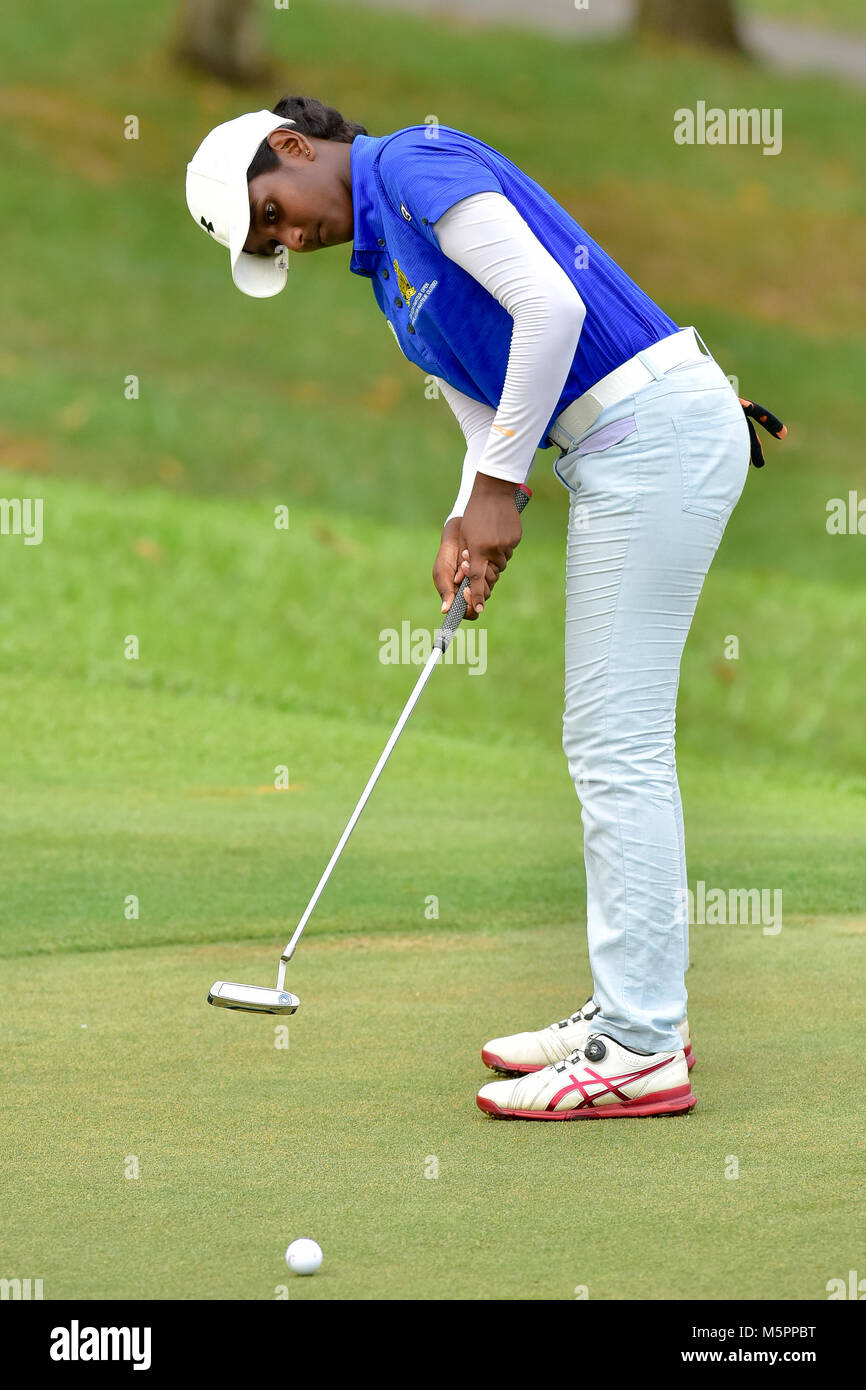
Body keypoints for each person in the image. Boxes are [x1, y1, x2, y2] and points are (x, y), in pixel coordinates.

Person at [186, 97, 784, 1120]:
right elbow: (490, 394)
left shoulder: (413, 166)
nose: (288, 239)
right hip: (616, 447)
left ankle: (641, 1043)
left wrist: (501, 488)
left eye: (272, 216)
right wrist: (467, 511)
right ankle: (629, 1012)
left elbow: (548, 311)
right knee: (604, 739)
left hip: (654, 434)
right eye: (270, 243)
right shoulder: (385, 271)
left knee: (614, 744)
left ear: (286, 147)